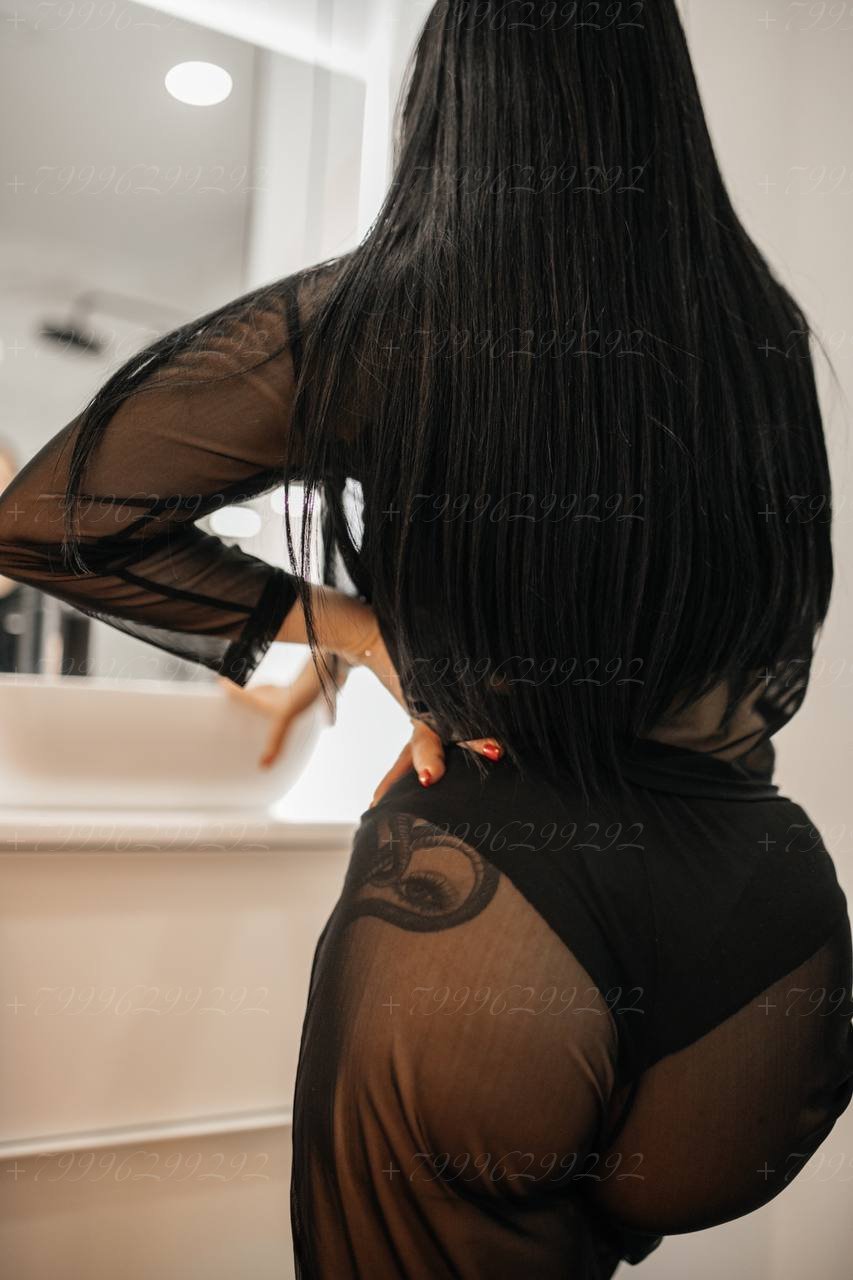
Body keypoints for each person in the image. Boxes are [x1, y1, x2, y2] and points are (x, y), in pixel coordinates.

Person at [0, 2, 851, 1275]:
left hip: (496, 936)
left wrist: (355, 628)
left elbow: (50, 521)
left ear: (453, 92)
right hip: (767, 940)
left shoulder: (389, 320)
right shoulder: (758, 330)